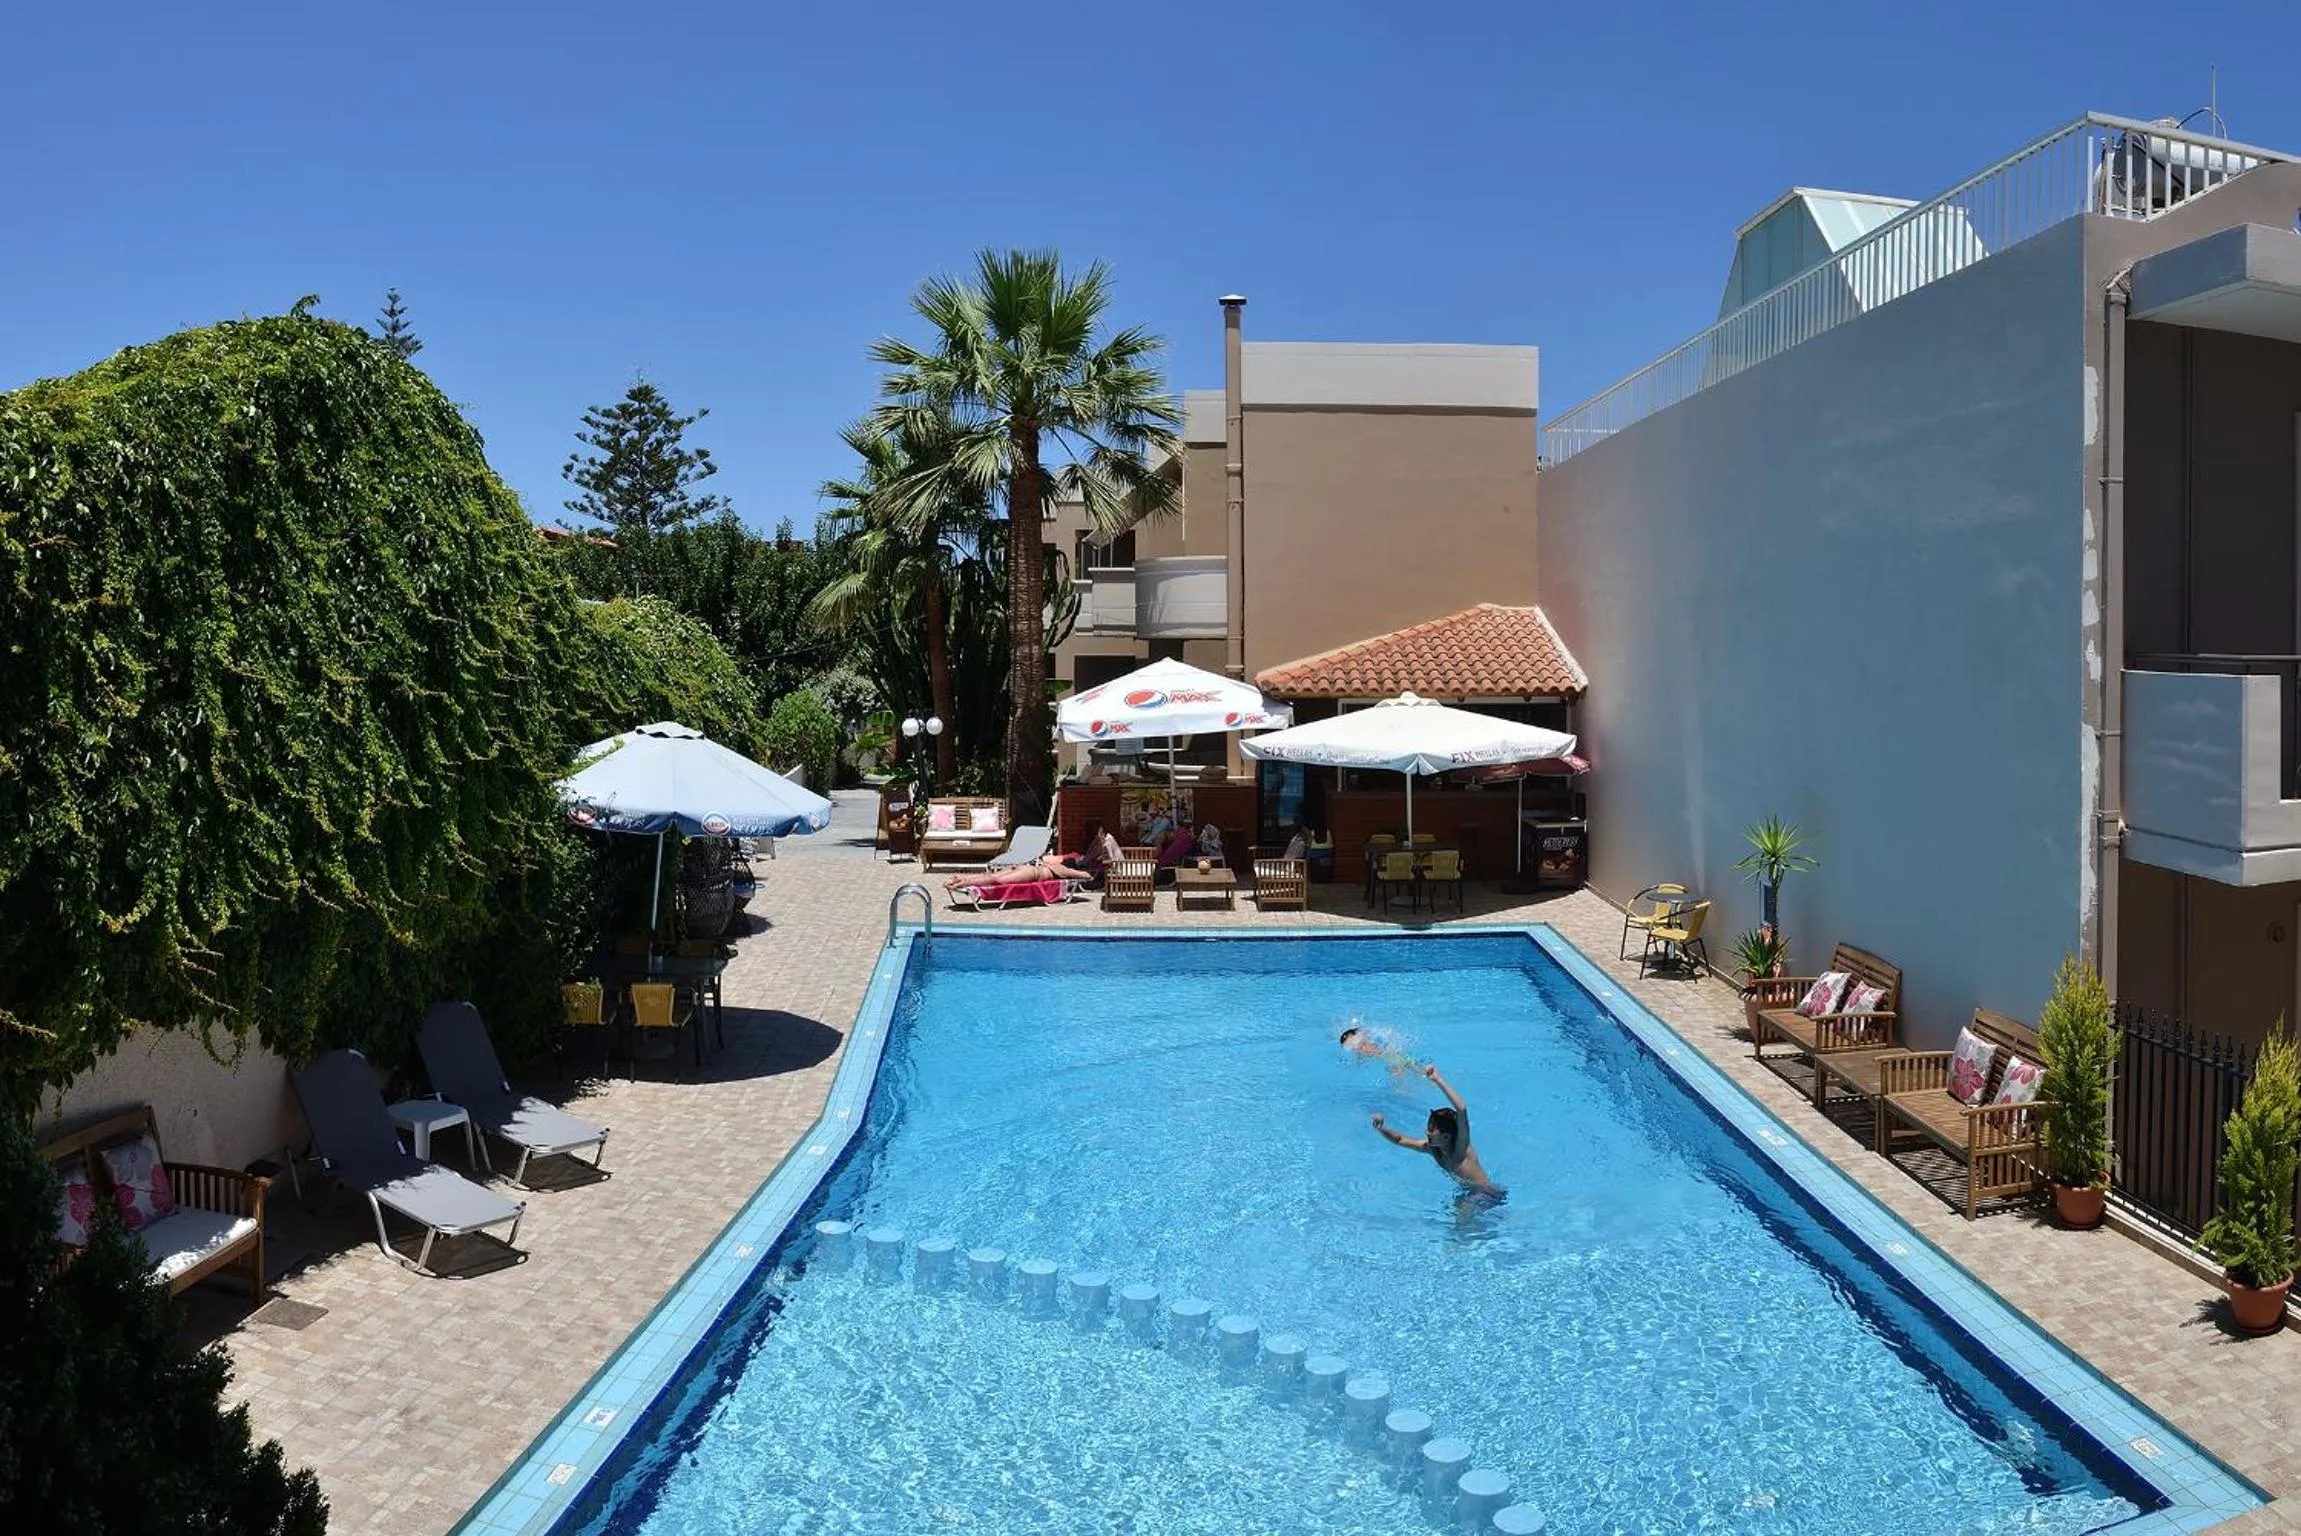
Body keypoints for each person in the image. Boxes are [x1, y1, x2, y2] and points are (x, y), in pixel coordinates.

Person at [1371, 1063, 1502, 1200]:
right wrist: (1381, 1128)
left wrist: (1438, 1079)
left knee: (1461, 1210)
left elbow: (1461, 1109)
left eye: (1431, 1129)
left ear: (1445, 1137)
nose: (1426, 1132)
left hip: (1487, 1193)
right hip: (1468, 1193)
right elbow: (1400, 1139)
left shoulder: (1460, 1148)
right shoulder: (1433, 1149)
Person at [944, 854, 1094, 892]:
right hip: (1031, 872)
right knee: (997, 881)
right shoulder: (1062, 870)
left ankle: (962, 879)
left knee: (993, 876)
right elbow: (1085, 876)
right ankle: (963, 882)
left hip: (1026, 867)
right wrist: (1081, 873)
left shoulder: (1051, 864)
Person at [1339, 1022, 1423, 1079]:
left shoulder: (1364, 1042)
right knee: (1410, 1066)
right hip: (1387, 1055)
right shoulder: (1361, 1045)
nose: (1355, 1049)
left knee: (1398, 1071)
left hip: (1388, 1054)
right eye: (1349, 1047)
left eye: (1353, 1045)